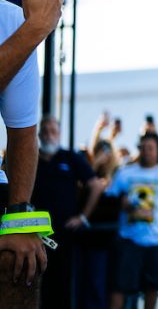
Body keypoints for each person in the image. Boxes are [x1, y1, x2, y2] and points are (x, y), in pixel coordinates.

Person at [0, 0, 63, 308]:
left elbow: (23, 133)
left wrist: (19, 219)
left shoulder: (10, 21)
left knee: (21, 261)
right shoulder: (23, 29)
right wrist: (34, 30)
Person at [106, 131, 158, 309]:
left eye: (151, 148)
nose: (147, 151)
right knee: (119, 286)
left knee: (153, 286)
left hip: (157, 240)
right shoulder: (125, 173)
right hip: (128, 238)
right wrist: (121, 202)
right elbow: (108, 199)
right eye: (143, 147)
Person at [33, 115, 105, 308]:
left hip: (64, 235)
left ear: (59, 133)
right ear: (39, 134)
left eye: (53, 131)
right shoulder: (31, 159)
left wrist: (83, 217)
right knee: (36, 285)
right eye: (45, 131)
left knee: (63, 286)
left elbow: (96, 185)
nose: (49, 135)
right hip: (35, 235)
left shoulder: (69, 158)